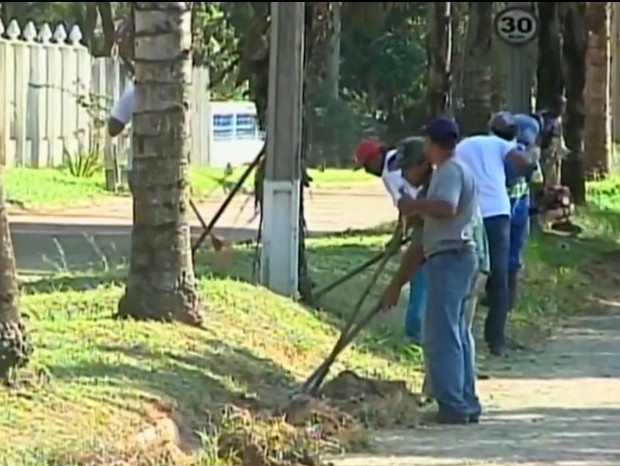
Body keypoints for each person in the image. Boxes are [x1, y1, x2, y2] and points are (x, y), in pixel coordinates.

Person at [383, 116, 480, 424]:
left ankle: (453, 405)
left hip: (451, 256)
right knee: (457, 331)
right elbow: (421, 240)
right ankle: (465, 401)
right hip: (457, 256)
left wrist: (415, 207)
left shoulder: (449, 171)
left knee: (442, 334)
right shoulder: (456, 170)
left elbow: (447, 207)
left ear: (433, 145)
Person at [453, 112, 531, 357]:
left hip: (469, 212)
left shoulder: (464, 145)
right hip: (497, 212)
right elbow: (522, 162)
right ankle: (495, 339)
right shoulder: (502, 145)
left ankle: (460, 326)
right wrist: (532, 159)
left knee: (468, 269)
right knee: (500, 274)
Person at [354, 138, 427, 343]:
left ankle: (416, 332)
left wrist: (400, 236)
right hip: (425, 226)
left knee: (419, 276)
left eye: (368, 165)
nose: (369, 171)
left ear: (377, 156)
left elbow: (406, 208)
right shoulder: (401, 155)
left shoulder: (389, 171)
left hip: (427, 233)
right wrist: (399, 235)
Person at [504, 114, 543, 310]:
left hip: (505, 208)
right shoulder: (529, 154)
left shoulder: (505, 152)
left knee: (498, 254)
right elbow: (536, 180)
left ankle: (499, 296)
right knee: (513, 254)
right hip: (519, 207)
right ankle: (508, 299)